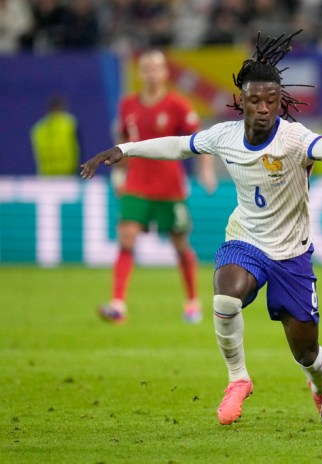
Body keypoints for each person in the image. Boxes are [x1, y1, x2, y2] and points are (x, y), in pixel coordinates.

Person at [81, 31, 322, 425]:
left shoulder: (293, 139)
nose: (263, 108)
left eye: (271, 101)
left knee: (306, 353)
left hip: (291, 252)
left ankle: (321, 386)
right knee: (225, 298)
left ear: (280, 102)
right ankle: (238, 379)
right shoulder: (224, 136)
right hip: (245, 240)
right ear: (241, 100)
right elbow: (177, 145)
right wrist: (124, 150)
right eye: (255, 100)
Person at [98, 49, 217, 325]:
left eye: (156, 68)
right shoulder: (127, 105)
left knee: (179, 243)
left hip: (169, 186)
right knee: (126, 237)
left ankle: (192, 301)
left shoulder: (178, 105)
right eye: (146, 68)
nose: (151, 73)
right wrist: (119, 176)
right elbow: (122, 143)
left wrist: (206, 170)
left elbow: (202, 141)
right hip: (136, 183)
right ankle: (118, 303)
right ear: (140, 74)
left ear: (165, 73)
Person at [30, 95, 81, 176]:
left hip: (46, 175)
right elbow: (78, 149)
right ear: (62, 107)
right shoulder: (70, 123)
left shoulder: (39, 128)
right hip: (68, 174)